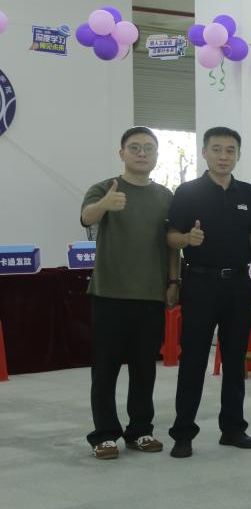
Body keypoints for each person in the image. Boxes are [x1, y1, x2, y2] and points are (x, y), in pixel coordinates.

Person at [166, 127, 251, 459]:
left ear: (238, 154)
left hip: (238, 284)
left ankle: (233, 428)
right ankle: (183, 432)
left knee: (235, 359)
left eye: (230, 150)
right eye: (217, 149)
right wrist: (186, 241)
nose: (224, 156)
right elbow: (170, 237)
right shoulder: (188, 192)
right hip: (200, 282)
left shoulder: (247, 192)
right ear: (204, 153)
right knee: (193, 359)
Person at [79, 127, 178, 460]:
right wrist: (105, 204)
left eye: (148, 148)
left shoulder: (165, 196)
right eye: (134, 147)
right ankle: (104, 434)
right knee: (105, 369)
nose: (141, 153)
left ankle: (140, 431)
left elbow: (172, 245)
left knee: (144, 369)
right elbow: (86, 217)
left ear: (156, 155)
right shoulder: (104, 188)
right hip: (109, 292)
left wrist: (174, 282)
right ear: (121, 153)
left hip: (149, 294)